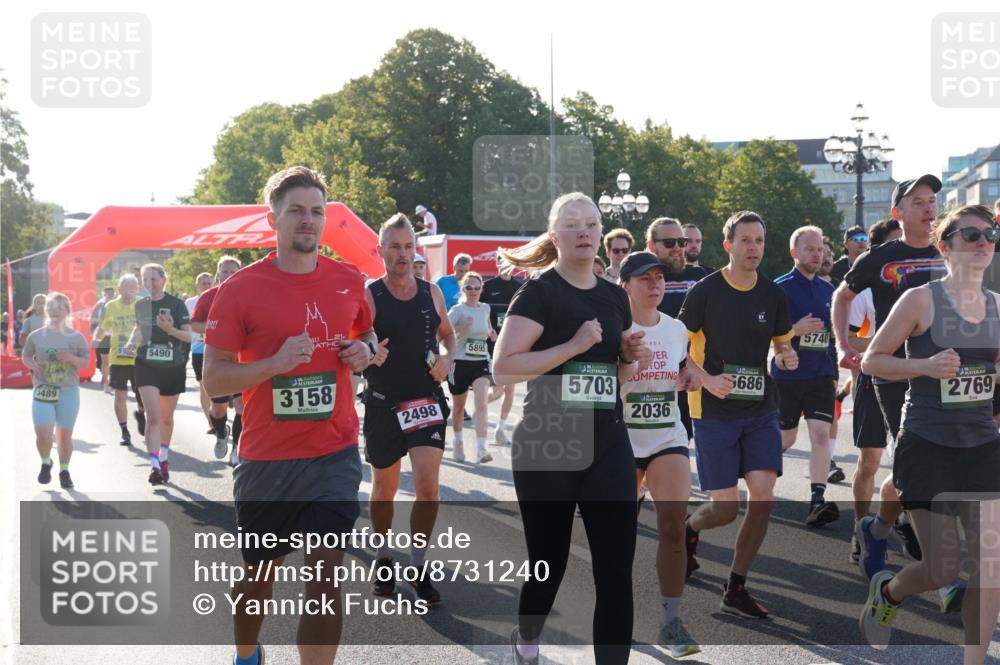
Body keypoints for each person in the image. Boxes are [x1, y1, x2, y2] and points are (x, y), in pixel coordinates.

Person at [203, 165, 376, 665]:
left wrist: (364, 351)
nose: (308, 220)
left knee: (325, 575)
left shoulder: (348, 281)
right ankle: (245, 653)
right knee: (259, 575)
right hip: (267, 460)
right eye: (297, 210)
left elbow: (366, 333)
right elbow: (214, 379)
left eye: (317, 212)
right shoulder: (240, 289)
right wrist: (275, 364)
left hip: (334, 452)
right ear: (274, 218)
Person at [493, 192, 650, 665]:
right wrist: (574, 345)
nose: (584, 231)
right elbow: (504, 370)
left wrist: (627, 358)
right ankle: (527, 644)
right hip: (548, 444)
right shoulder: (540, 292)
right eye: (573, 224)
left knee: (616, 572)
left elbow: (618, 378)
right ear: (555, 236)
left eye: (592, 224)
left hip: (607, 443)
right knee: (549, 564)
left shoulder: (613, 296)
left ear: (601, 233)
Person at [858, 204, 1000, 664]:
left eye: (990, 234)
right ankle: (889, 593)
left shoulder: (998, 305)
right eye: (971, 234)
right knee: (940, 570)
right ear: (945, 246)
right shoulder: (921, 300)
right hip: (928, 445)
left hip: (982, 446)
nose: (982, 243)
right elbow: (872, 359)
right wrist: (925, 365)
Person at [679, 210, 797, 618]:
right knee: (726, 509)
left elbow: (781, 345)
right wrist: (708, 380)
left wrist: (787, 354)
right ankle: (689, 530)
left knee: (763, 497)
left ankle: (737, 585)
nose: (753, 248)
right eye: (745, 240)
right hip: (712, 410)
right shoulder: (705, 291)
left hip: (761, 408)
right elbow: (678, 349)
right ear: (728, 245)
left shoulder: (773, 295)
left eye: (759, 241)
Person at [833, 174, 945, 579]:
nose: (929, 208)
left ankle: (882, 529)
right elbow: (841, 297)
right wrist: (843, 346)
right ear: (898, 212)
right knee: (879, 461)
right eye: (918, 201)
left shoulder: (950, 251)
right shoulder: (879, 257)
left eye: (932, 200)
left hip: (940, 373)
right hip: (891, 372)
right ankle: (868, 531)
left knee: (920, 465)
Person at [363, 212, 454, 605]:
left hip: (425, 399)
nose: (403, 254)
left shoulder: (431, 292)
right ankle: (383, 556)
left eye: (408, 247)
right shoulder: (369, 293)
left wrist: (448, 359)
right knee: (384, 487)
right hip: (383, 401)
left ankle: (418, 563)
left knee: (427, 486)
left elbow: (448, 338)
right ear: (380, 250)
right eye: (394, 247)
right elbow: (358, 337)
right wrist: (370, 352)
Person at [618, 250, 701, 658]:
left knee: (672, 528)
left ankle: (670, 621)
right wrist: (628, 367)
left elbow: (686, 368)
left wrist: (690, 375)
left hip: (667, 437)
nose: (655, 285)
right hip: (621, 441)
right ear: (626, 286)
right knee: (618, 537)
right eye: (645, 278)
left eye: (659, 278)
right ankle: (616, 618)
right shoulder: (616, 331)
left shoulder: (676, 328)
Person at [773, 226, 840, 526]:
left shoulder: (831, 291)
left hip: (820, 376)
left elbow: (834, 338)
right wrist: (794, 331)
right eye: (809, 249)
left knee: (820, 434)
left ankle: (817, 498)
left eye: (820, 249)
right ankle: (755, 476)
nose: (816, 254)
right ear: (794, 253)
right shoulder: (779, 288)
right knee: (784, 439)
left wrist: (836, 373)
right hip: (787, 377)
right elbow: (763, 334)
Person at [845, 218, 902, 564]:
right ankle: (859, 528)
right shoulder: (865, 290)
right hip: (873, 377)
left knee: (914, 459)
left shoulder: (927, 285)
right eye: (897, 245)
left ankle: (900, 522)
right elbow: (851, 339)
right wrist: (890, 342)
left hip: (914, 377)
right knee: (870, 462)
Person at [123, 263, 193, 485]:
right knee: (153, 417)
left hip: (173, 366)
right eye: (145, 280)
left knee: (165, 418)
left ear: (163, 280)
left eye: (153, 279)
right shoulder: (140, 305)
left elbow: (189, 337)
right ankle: (154, 466)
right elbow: (139, 329)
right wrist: (131, 343)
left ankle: (163, 457)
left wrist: (171, 330)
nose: (149, 284)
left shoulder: (176, 304)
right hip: (146, 365)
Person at [645, 217, 710, 442]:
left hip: (688, 374)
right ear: (652, 245)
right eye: (670, 243)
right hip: (647, 377)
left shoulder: (700, 278)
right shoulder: (637, 278)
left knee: (679, 445)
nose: (678, 249)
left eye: (681, 242)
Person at [22, 292, 90, 489]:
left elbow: (86, 363)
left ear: (67, 311)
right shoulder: (36, 336)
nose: (55, 311)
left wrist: (71, 358)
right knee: (43, 435)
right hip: (43, 390)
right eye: (51, 308)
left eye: (59, 308)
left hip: (68, 392)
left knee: (64, 437)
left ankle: (64, 470)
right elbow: (26, 356)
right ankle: (45, 462)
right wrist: (33, 366)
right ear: (46, 310)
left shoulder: (76, 337)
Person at [191, 256, 244, 464]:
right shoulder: (208, 296)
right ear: (218, 274)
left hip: (242, 359)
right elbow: (194, 325)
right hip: (217, 358)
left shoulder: (250, 294)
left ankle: (237, 448)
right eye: (225, 272)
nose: (229, 275)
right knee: (218, 408)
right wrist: (219, 330)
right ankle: (222, 433)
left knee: (241, 405)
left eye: (233, 271)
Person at [447, 271, 496, 464]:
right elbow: (442, 333)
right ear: (463, 289)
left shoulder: (485, 308)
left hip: (480, 361)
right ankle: (458, 442)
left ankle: (482, 448)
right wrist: (461, 328)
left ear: (482, 289)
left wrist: (491, 333)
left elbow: (488, 328)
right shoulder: (457, 310)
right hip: (459, 362)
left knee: (481, 403)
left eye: (477, 287)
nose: (473, 291)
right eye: (469, 288)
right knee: (458, 408)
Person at [95, 274, 146, 447]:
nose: (129, 293)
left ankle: (141, 414)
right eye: (126, 289)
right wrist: (96, 339)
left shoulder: (143, 304)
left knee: (144, 398)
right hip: (118, 358)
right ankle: (124, 431)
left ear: (137, 289)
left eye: (133, 288)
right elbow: (102, 329)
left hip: (140, 359)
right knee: (120, 395)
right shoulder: (111, 306)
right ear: (119, 289)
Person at [482, 253, 523, 445]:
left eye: (509, 262)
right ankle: (480, 407)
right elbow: (480, 309)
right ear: (497, 264)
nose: (506, 265)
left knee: (509, 389)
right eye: (502, 262)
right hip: (491, 343)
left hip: (511, 343)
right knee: (497, 391)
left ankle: (500, 428)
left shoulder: (519, 287)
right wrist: (489, 330)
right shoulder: (488, 286)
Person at [186, 271, 215, 429]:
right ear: (197, 285)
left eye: (209, 282)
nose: (206, 285)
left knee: (217, 386)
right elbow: (184, 324)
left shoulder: (218, 297)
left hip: (217, 348)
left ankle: (219, 412)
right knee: (204, 386)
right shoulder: (190, 302)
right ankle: (210, 422)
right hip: (198, 350)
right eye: (203, 283)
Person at [91, 286, 115, 392]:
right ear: (104, 295)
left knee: (114, 361)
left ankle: (112, 381)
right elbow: (92, 318)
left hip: (116, 336)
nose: (110, 296)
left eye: (112, 293)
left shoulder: (119, 304)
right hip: (104, 336)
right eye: (108, 294)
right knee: (105, 360)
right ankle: (106, 382)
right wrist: (94, 328)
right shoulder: (100, 304)